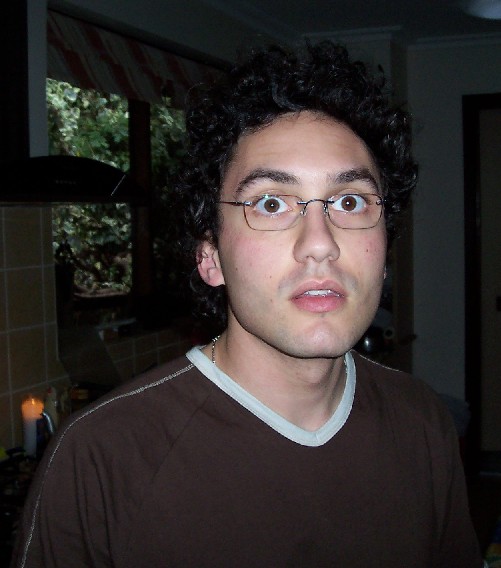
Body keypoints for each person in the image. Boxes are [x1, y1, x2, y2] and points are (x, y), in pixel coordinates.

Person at [12, 42, 483, 567]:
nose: (321, 244)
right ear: (210, 256)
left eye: (349, 201)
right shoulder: (99, 458)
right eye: (271, 203)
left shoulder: (423, 421)